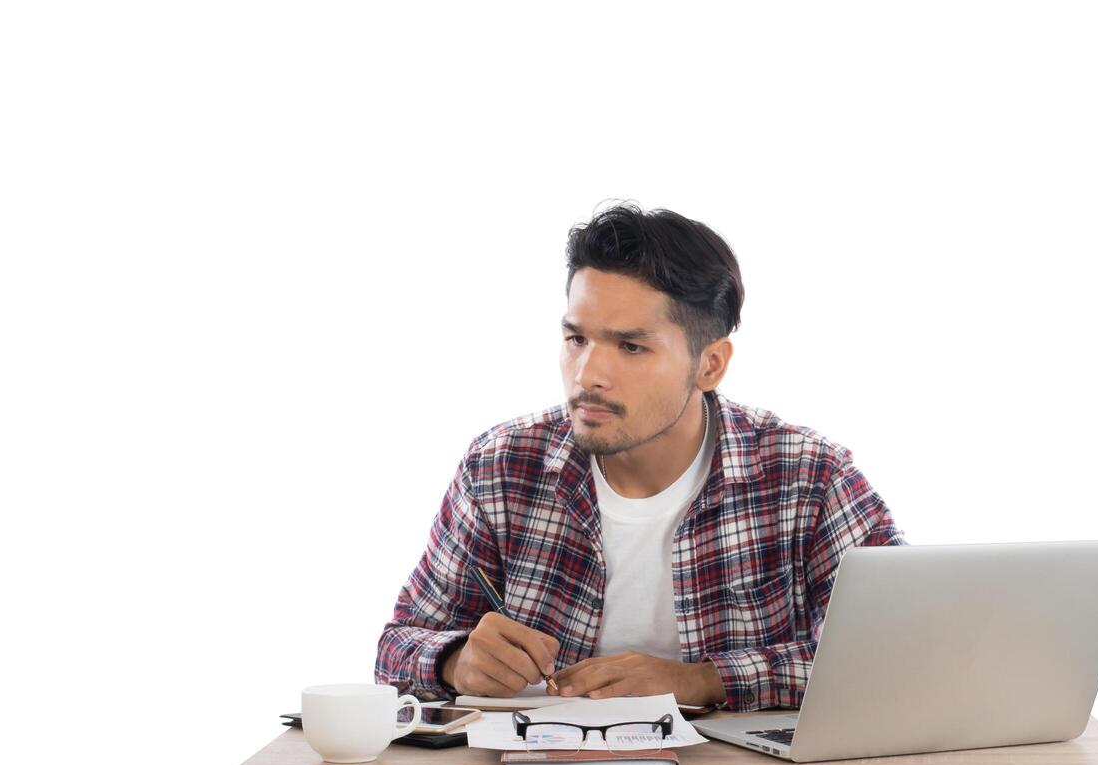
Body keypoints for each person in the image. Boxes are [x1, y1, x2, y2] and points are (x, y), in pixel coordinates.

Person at [374, 201, 905, 711]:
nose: (587, 375)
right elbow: (397, 647)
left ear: (711, 365)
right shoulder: (500, 467)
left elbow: (896, 656)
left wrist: (701, 679)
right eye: (576, 338)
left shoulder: (810, 476)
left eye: (630, 347)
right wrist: (453, 661)